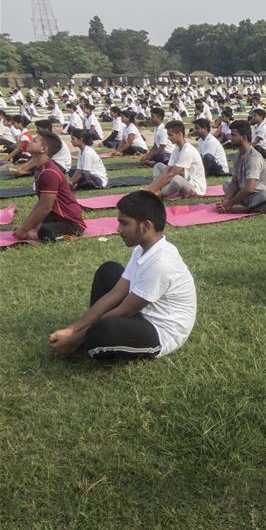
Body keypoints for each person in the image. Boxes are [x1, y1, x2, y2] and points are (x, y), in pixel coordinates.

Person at [48, 190, 196, 360]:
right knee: (108, 270)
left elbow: (126, 310)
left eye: (124, 224)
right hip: (140, 314)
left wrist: (75, 339)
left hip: (160, 332)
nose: (118, 229)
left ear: (145, 226)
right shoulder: (142, 249)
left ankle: (84, 344)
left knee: (102, 329)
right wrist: (71, 330)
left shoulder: (161, 263)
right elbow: (116, 293)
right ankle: (84, 339)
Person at [11, 133, 85, 242]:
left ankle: (71, 235)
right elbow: (41, 204)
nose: (30, 141)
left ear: (43, 149)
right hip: (56, 216)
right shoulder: (42, 169)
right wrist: (25, 226)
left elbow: (45, 207)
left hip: (71, 223)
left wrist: (24, 231)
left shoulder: (48, 172)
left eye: (34, 141)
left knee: (45, 232)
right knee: (38, 224)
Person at [216, 120, 266, 213]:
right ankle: (244, 204)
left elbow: (249, 188)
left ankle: (246, 208)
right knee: (227, 184)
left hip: (259, 194)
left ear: (243, 137)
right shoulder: (238, 155)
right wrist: (226, 200)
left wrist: (229, 204)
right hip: (248, 193)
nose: (230, 138)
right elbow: (234, 181)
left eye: (233, 135)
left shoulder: (253, 157)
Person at [146, 121, 207, 200]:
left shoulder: (188, 150)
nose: (168, 138)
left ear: (179, 134)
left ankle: (160, 194)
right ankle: (156, 190)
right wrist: (150, 188)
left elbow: (171, 173)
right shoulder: (176, 149)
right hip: (183, 179)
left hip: (195, 188)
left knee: (176, 180)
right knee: (158, 166)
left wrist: (149, 190)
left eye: (170, 135)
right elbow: (167, 171)